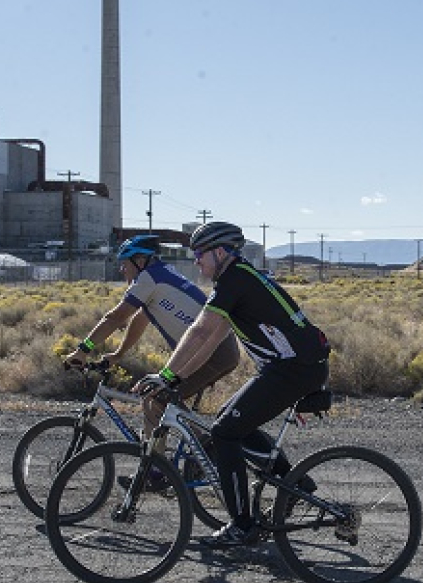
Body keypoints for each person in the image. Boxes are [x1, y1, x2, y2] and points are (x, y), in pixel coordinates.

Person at [135, 221, 330, 548]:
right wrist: (175, 378)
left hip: (294, 368)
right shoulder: (238, 279)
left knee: (225, 432)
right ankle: (296, 483)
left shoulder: (235, 280)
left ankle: (242, 525)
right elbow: (209, 342)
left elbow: (198, 330)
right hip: (292, 367)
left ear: (220, 252)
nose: (196, 260)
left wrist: (166, 376)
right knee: (229, 420)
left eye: (199, 253)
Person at [66, 235, 240, 445]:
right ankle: (156, 464)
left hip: (212, 352)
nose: (122, 270)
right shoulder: (162, 274)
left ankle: (201, 450)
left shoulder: (148, 278)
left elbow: (115, 317)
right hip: (217, 349)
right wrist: (119, 354)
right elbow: (140, 319)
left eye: (124, 264)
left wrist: (83, 350)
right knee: (156, 398)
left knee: (156, 398)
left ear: (139, 262)